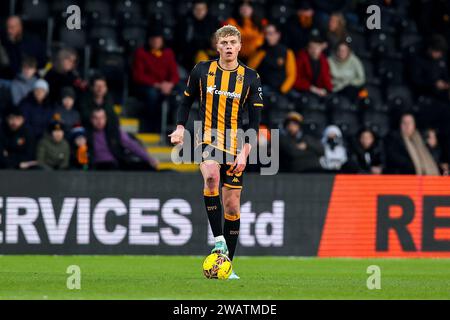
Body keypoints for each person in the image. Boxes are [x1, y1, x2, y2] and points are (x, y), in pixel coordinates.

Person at [169, 25, 263, 280]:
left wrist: (244, 153)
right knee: (211, 176)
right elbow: (186, 101)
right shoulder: (202, 70)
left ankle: (227, 264)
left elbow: (254, 122)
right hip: (207, 137)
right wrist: (179, 128)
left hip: (235, 143)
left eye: (233, 42)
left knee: (232, 207)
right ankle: (219, 239)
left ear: (240, 46)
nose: (229, 46)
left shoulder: (251, 77)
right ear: (217, 46)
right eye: (224, 43)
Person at [132, 26, 180, 132]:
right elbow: (138, 76)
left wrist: (170, 84)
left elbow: (175, 74)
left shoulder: (168, 53)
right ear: (149, 40)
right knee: (152, 95)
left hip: (166, 86)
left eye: (158, 39)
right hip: (148, 86)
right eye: (153, 39)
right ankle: (152, 126)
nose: (155, 41)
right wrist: (158, 85)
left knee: (180, 94)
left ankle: (174, 127)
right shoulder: (141, 53)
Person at [87, 108, 159, 171]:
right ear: (91, 119)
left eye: (102, 118)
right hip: (95, 167)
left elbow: (132, 146)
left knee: (146, 167)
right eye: (96, 118)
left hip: (115, 165)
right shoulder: (86, 134)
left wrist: (148, 159)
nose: (99, 121)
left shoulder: (115, 132)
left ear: (106, 119)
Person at [247, 23, 296, 95]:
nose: (267, 37)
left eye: (270, 34)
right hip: (264, 87)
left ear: (278, 34)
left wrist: (283, 89)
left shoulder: (287, 52)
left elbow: (291, 75)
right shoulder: (260, 51)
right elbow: (250, 69)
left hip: (281, 89)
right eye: (266, 34)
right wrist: (261, 52)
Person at [176, 0, 219, 69]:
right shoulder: (185, 22)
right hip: (188, 58)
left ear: (206, 10)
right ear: (192, 9)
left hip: (209, 57)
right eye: (197, 9)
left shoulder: (213, 22)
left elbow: (215, 43)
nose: (199, 11)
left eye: (202, 9)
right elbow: (180, 44)